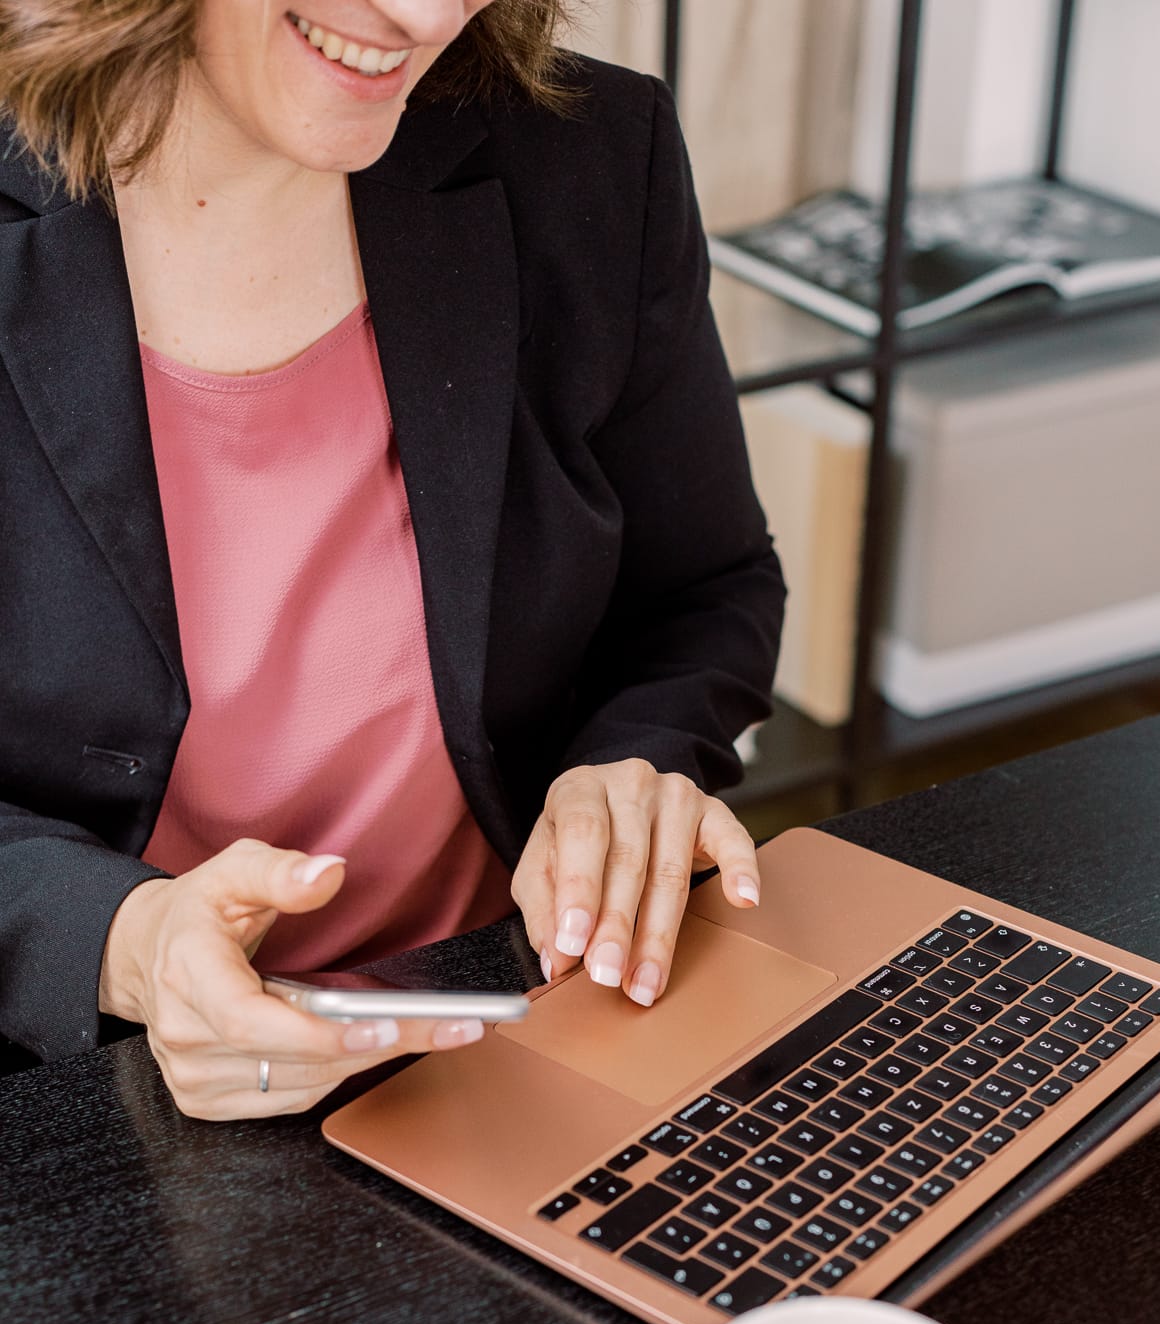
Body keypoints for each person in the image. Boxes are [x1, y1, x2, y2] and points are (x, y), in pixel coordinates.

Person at [0, 0, 784, 1118]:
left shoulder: (594, 153)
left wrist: (629, 766)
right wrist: (127, 942)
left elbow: (709, 589)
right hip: (91, 1083)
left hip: (516, 1009)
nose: (424, 16)